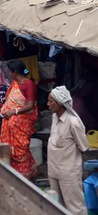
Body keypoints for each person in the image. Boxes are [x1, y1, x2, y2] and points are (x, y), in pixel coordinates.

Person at [47, 86, 90, 215]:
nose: (47, 104)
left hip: (68, 173)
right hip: (53, 170)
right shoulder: (54, 117)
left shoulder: (73, 123)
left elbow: (84, 146)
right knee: (56, 204)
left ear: (60, 103)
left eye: (50, 101)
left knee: (75, 207)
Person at [0, 59, 38, 179]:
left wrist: (14, 112)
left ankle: (25, 175)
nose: (9, 74)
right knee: (10, 150)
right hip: (10, 121)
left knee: (20, 149)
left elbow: (30, 105)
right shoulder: (15, 83)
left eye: (10, 72)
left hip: (22, 122)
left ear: (15, 72)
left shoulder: (29, 84)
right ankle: (12, 174)